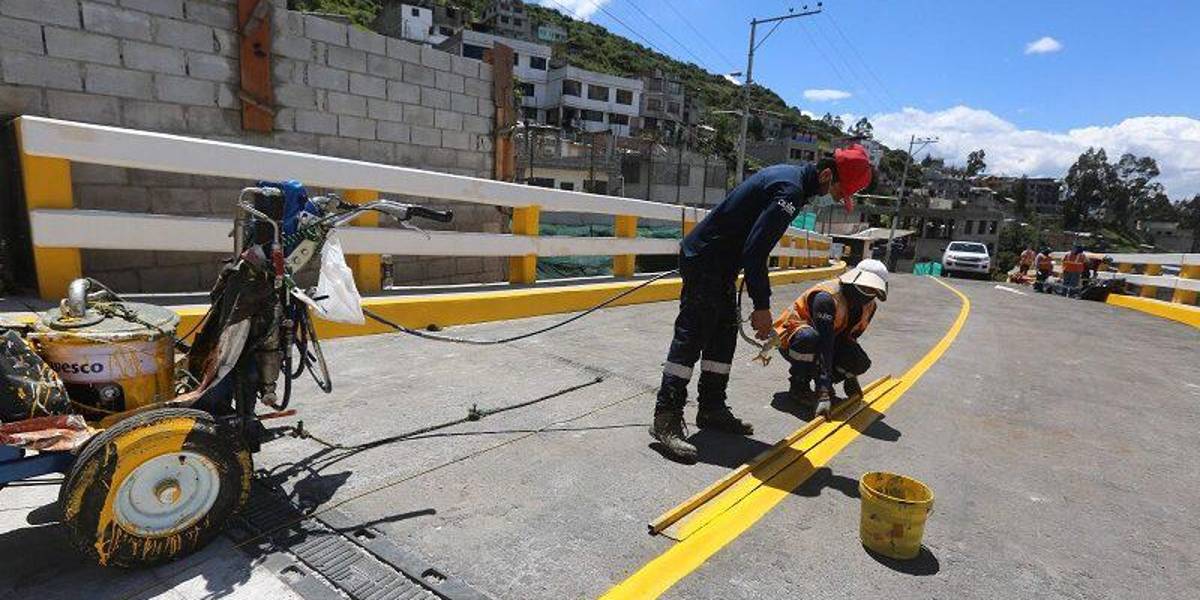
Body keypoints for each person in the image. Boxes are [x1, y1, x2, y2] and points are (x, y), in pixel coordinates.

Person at [649, 146, 873, 462]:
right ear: (825, 174)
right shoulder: (791, 190)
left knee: (723, 338)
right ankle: (666, 418)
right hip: (706, 260)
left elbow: (752, 243)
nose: (837, 198)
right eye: (838, 190)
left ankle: (711, 408)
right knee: (692, 336)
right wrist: (762, 306)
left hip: (721, 264)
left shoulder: (792, 181)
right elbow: (756, 251)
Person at [774, 259, 888, 418]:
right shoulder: (826, 297)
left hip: (830, 339)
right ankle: (799, 385)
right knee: (809, 338)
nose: (869, 294)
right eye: (865, 288)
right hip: (794, 340)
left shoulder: (870, 306)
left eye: (873, 290)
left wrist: (851, 375)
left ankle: (826, 380)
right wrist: (823, 392)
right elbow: (824, 344)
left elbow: (849, 339)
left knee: (860, 362)